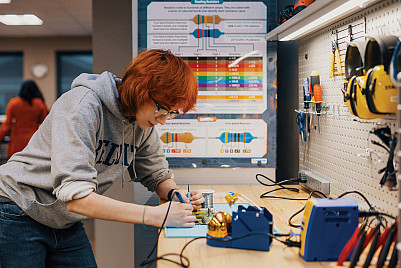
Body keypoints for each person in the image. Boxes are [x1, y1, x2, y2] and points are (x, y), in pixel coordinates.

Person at [0, 49, 204, 267]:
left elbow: (156, 174)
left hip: (63, 220)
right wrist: (153, 215)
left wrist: (174, 193)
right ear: (141, 91)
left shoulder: (142, 122)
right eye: (163, 110)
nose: (163, 120)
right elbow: (77, 198)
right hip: (19, 208)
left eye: (171, 114)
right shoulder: (82, 106)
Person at [0, 80, 48, 158]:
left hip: (17, 142)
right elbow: (45, 124)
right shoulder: (39, 104)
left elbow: (7, 125)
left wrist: (1, 137)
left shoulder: (14, 103)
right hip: (33, 141)